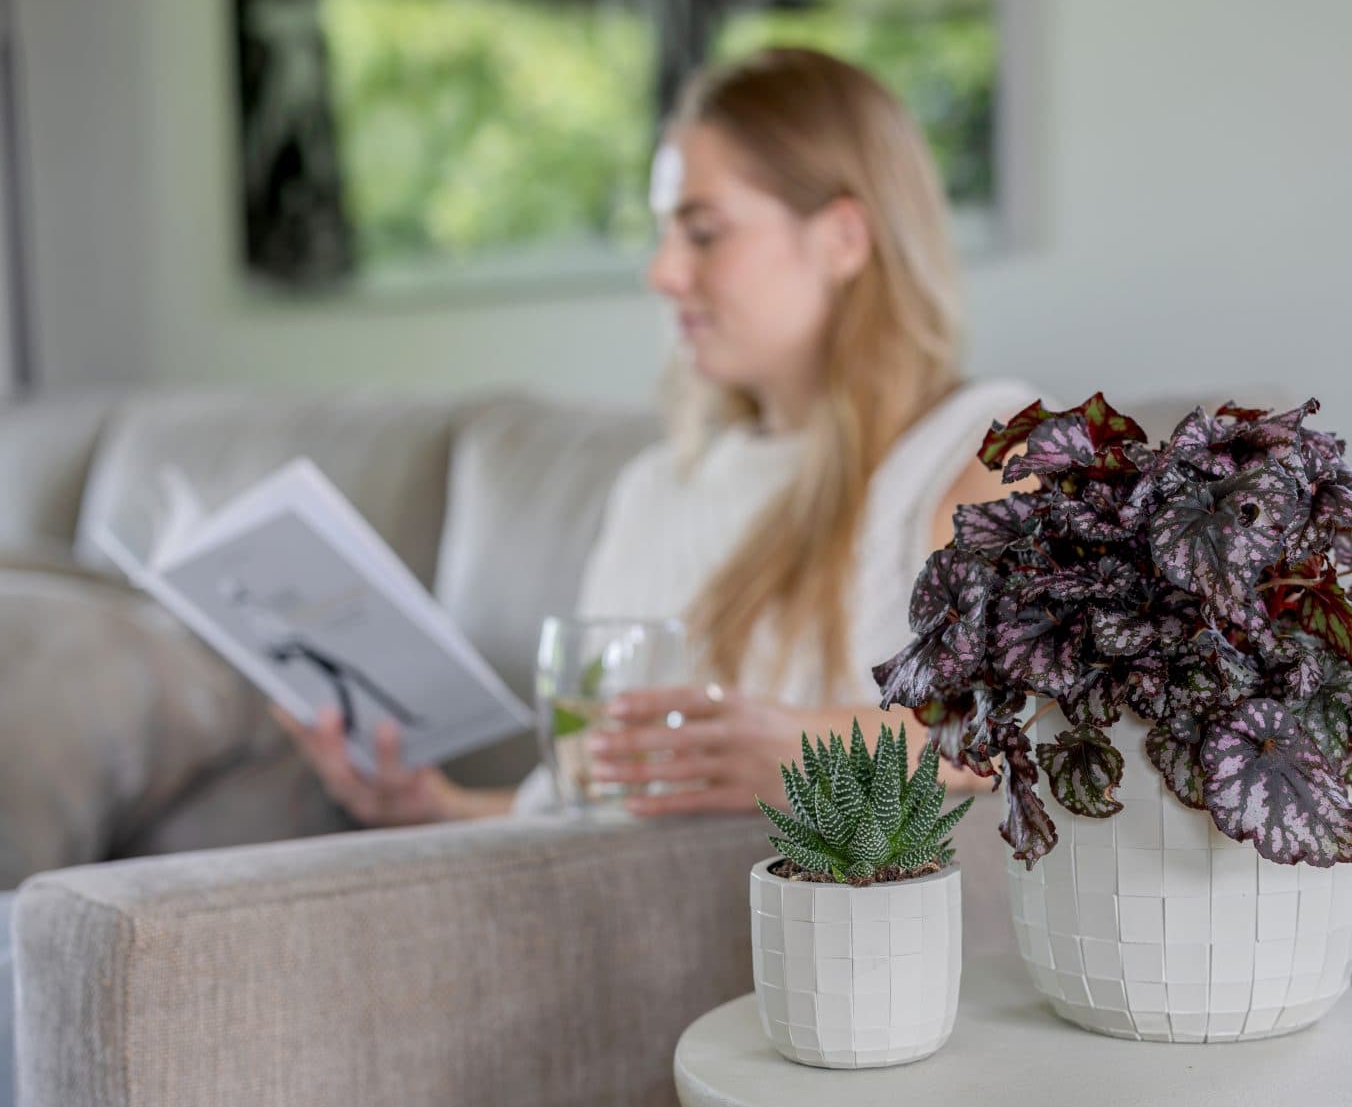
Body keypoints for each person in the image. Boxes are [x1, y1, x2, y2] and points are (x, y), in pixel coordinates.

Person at [281, 46, 1041, 826]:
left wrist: (803, 755)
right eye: (663, 233)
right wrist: (431, 809)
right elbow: (590, 811)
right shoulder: (653, 491)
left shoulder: (980, 456)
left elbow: (1023, 726)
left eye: (704, 232)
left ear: (844, 239)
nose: (663, 272)